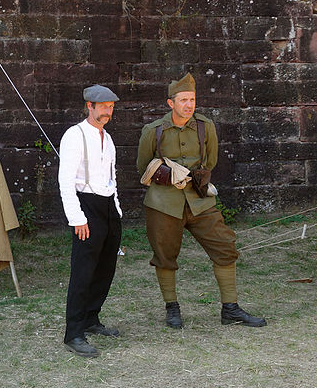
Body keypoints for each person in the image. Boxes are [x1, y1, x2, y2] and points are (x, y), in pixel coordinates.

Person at [136, 73, 266, 329]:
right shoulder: (154, 131)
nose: (189, 104)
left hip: (200, 200)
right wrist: (169, 174)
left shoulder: (206, 127)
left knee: (225, 246)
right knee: (164, 255)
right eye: (183, 100)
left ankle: (230, 309)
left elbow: (211, 161)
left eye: (192, 99)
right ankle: (172, 308)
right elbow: (143, 166)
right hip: (163, 204)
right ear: (170, 103)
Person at [57, 84, 123, 358]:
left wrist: (116, 211)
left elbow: (112, 179)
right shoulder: (74, 135)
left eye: (111, 106)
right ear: (89, 106)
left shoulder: (107, 138)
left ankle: (91, 318)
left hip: (108, 207)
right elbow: (65, 181)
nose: (107, 111)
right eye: (103, 106)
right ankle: (74, 332)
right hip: (86, 206)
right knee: (83, 271)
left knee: (105, 268)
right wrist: (77, 218)